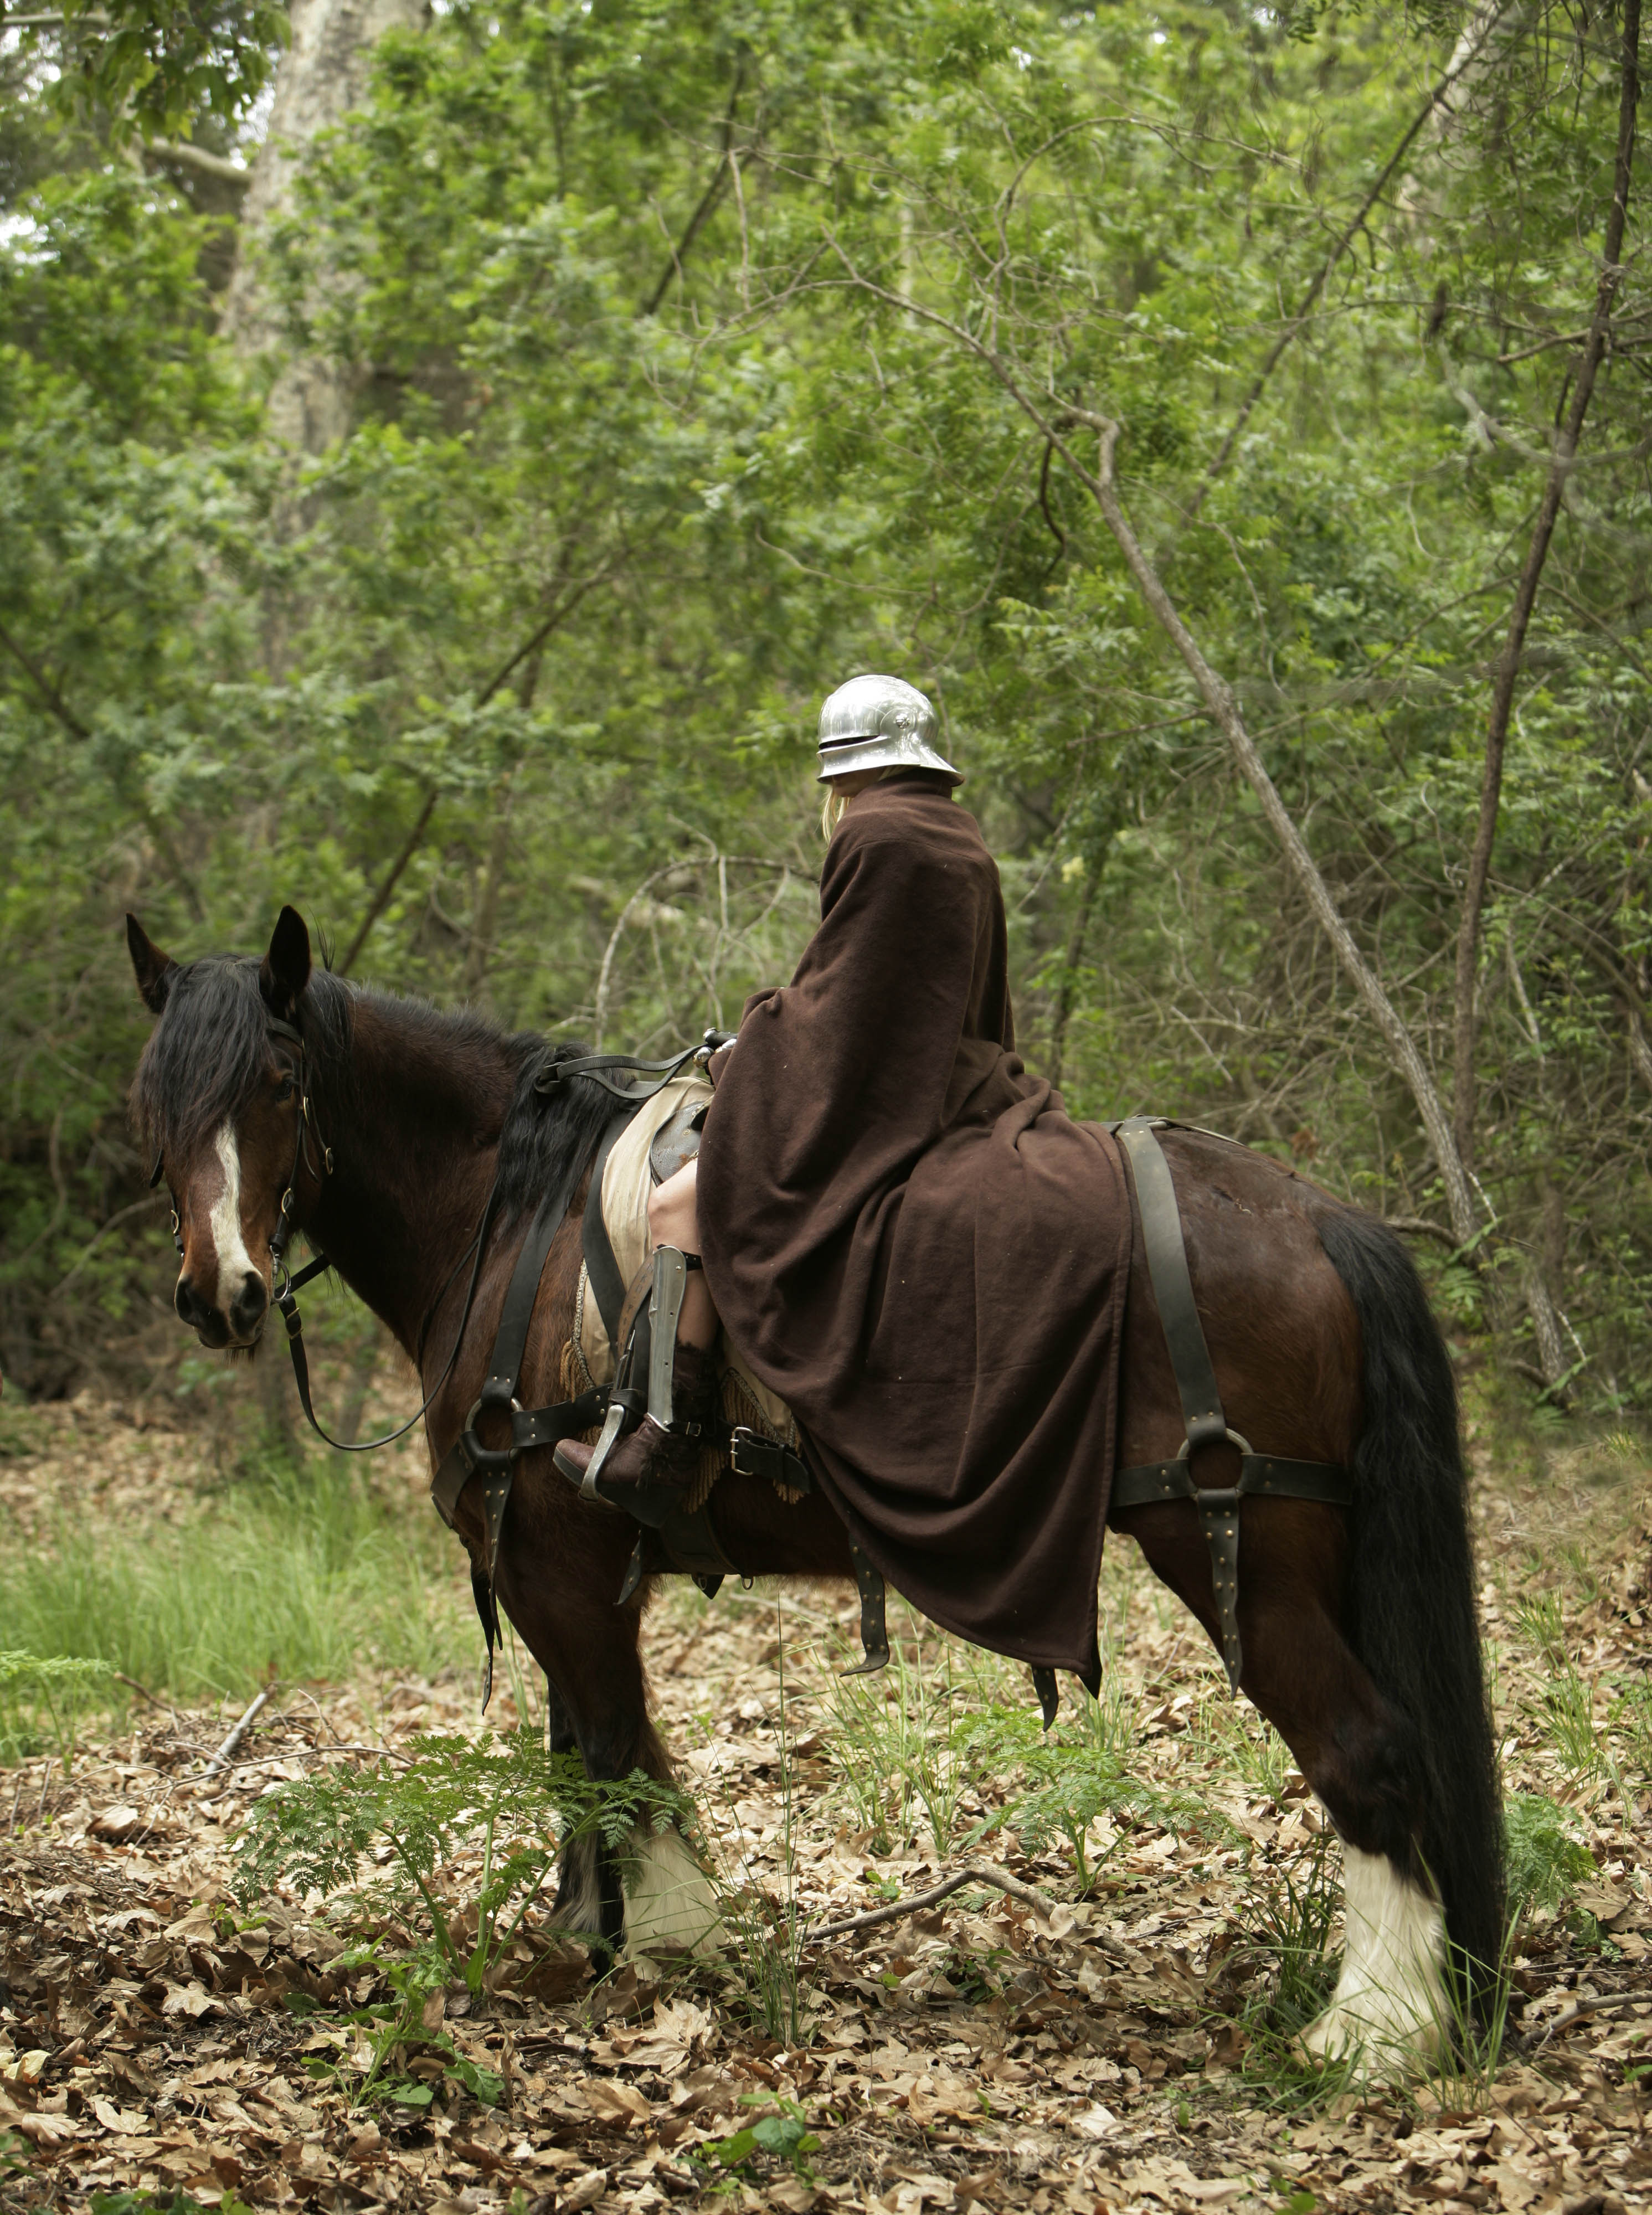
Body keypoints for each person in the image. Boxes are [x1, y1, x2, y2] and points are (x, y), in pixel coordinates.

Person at [557, 674, 1130, 1685]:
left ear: (843, 768)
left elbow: (839, 1012)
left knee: (678, 1201)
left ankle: (665, 1440)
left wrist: (754, 1041)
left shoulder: (874, 834)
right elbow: (877, 992)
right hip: (955, 1082)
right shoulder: (955, 830)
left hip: (892, 1098)